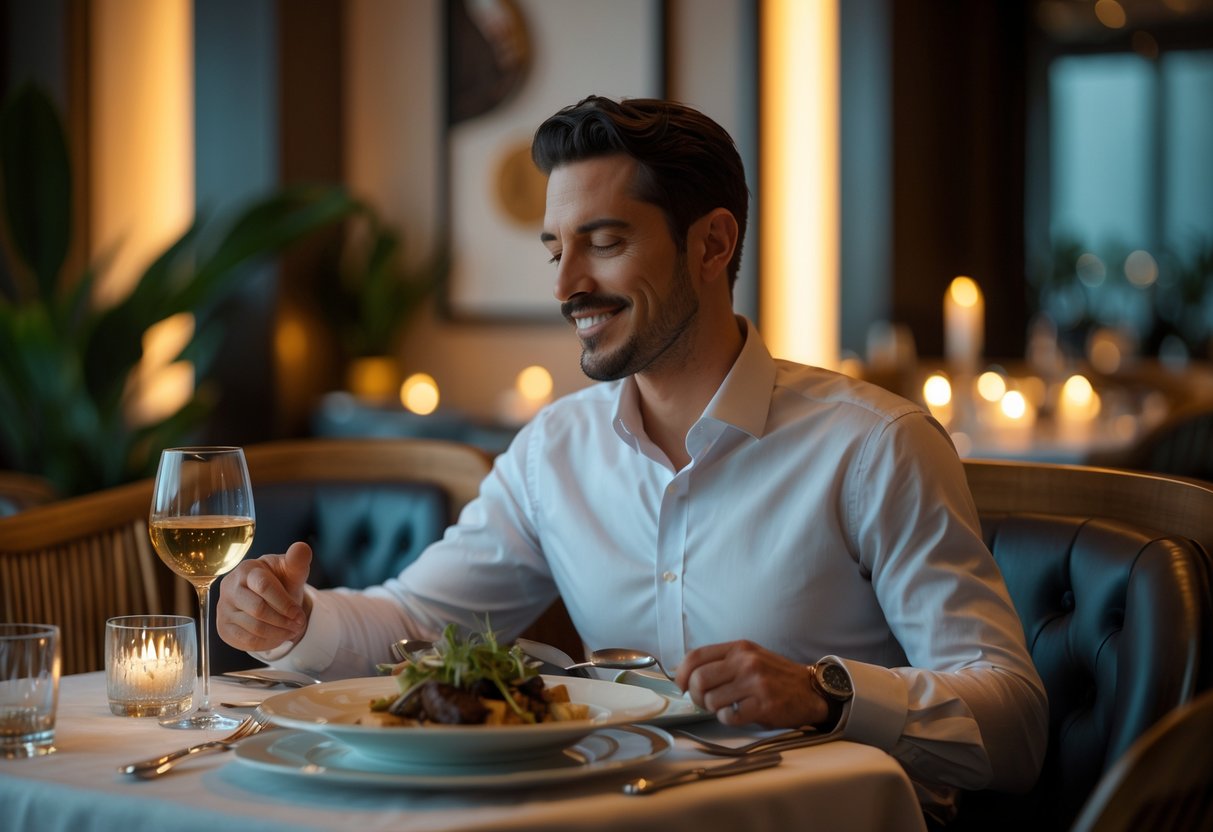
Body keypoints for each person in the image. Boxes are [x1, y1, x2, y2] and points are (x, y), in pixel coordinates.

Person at [217, 95, 1046, 823]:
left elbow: (1014, 725)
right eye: (555, 250)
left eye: (603, 242)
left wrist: (826, 694)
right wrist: (298, 623)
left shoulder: (872, 446)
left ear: (712, 244)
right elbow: (415, 625)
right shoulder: (554, 450)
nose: (565, 285)